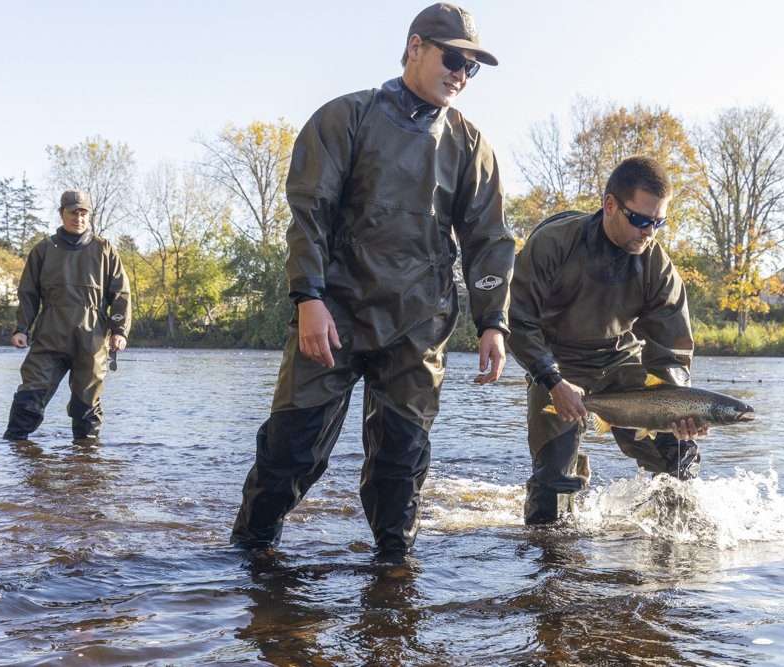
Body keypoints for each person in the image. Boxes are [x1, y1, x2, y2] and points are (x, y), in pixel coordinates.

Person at [232, 3, 515, 558]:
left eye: (472, 67)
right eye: (453, 58)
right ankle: (248, 556)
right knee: (292, 450)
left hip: (416, 328)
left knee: (400, 463)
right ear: (414, 48)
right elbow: (308, 214)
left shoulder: (471, 145)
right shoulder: (346, 117)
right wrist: (307, 297)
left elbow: (489, 239)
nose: (461, 74)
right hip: (334, 317)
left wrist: (493, 321)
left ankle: (392, 573)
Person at [508, 156, 704, 525]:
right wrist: (550, 378)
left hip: (620, 360)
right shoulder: (554, 244)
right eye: (641, 220)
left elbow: (671, 350)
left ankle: (674, 545)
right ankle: (555, 561)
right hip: (556, 363)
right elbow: (518, 321)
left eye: (658, 222)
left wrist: (678, 406)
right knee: (552, 488)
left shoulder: (656, 265)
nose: (649, 232)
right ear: (610, 205)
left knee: (678, 454)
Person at [3, 190, 131, 442]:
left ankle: (85, 463)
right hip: (50, 334)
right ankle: (14, 454)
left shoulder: (104, 249)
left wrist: (119, 331)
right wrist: (22, 328)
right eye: (73, 212)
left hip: (92, 338)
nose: (78, 218)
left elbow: (121, 293)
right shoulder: (43, 249)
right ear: (62, 213)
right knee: (30, 395)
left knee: (87, 405)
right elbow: (28, 293)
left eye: (83, 213)